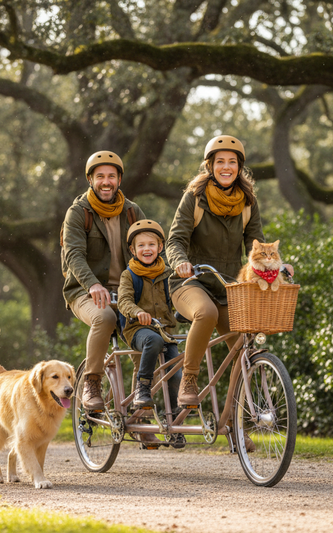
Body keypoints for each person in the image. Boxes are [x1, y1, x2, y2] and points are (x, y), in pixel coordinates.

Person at [166, 135, 293, 413]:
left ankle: (233, 418)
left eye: (232, 162)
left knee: (243, 347)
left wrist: (276, 267)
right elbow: (175, 240)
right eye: (220, 161)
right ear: (210, 166)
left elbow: (255, 245)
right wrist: (180, 262)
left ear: (239, 167)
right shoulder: (194, 198)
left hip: (229, 287)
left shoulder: (247, 202)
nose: (226, 167)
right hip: (190, 282)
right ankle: (189, 379)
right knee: (206, 312)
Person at [61, 150, 146, 411]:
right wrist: (93, 284)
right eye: (100, 176)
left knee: (148, 336)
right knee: (105, 317)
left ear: (119, 179)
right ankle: (92, 383)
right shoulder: (78, 213)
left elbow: (150, 250)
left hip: (127, 292)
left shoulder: (132, 212)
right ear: (90, 180)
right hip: (84, 291)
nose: (106, 182)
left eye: (111, 176)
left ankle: (141, 403)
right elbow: (74, 255)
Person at [118, 219, 185, 448]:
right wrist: (137, 312)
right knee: (153, 340)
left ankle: (175, 423)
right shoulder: (129, 275)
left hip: (165, 331)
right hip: (138, 330)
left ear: (160, 247)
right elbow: (124, 301)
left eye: (151, 244)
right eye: (141, 245)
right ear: (132, 250)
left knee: (175, 374)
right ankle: (143, 387)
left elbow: (178, 297)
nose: (146, 249)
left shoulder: (168, 274)